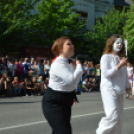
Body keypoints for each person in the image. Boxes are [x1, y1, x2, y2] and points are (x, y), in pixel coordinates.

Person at [42, 37, 83, 134]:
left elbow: (72, 83)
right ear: (60, 48)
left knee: (59, 132)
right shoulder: (58, 64)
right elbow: (72, 80)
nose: (72, 46)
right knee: (64, 132)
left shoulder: (71, 62)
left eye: (72, 44)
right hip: (54, 101)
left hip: (66, 99)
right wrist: (79, 65)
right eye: (68, 44)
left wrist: (71, 95)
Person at [96, 34, 131, 134]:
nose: (120, 45)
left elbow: (124, 76)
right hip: (109, 89)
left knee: (119, 119)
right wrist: (120, 65)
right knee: (113, 116)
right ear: (111, 44)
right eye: (117, 42)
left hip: (120, 90)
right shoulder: (105, 57)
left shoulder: (121, 58)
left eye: (121, 43)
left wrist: (128, 89)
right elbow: (106, 74)